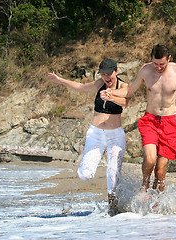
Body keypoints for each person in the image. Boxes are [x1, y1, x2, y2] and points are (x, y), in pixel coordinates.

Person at [101, 44, 176, 193]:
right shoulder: (146, 70)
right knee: (150, 159)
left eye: (162, 64)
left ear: (169, 59)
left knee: (160, 171)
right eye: (155, 63)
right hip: (150, 120)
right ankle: (144, 187)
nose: (158, 67)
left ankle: (157, 204)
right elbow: (130, 90)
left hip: (169, 123)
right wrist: (112, 94)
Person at [47, 59, 128, 209]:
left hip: (115, 135)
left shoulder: (123, 86)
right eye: (103, 74)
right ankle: (89, 164)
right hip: (96, 134)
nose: (106, 77)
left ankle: (113, 207)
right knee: (86, 174)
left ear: (116, 72)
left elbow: (125, 101)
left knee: (113, 173)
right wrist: (60, 80)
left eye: (108, 74)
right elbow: (80, 87)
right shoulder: (99, 84)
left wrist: (111, 97)